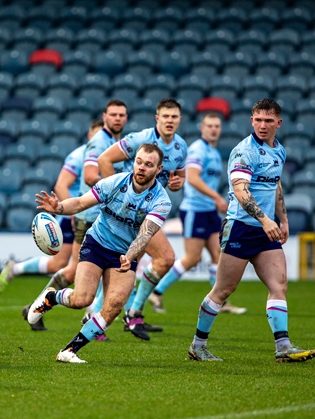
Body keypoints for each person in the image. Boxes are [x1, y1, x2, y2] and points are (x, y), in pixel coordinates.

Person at [188, 98, 315, 363]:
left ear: (278, 123)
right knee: (223, 290)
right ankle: (198, 345)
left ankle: (283, 346)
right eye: (258, 119)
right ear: (251, 121)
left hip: (265, 230)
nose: (262, 125)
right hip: (240, 228)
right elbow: (240, 190)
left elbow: (275, 184)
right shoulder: (243, 151)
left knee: (279, 284)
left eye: (268, 120)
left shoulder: (279, 151)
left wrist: (283, 219)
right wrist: (265, 220)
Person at [27, 144, 171, 363]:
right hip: (97, 243)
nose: (141, 168)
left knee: (113, 307)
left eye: (148, 165)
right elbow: (81, 202)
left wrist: (130, 255)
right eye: (139, 162)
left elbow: (145, 234)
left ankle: (69, 351)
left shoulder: (161, 201)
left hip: (124, 254)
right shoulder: (115, 182)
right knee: (81, 299)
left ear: (158, 169)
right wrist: (59, 208)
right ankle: (51, 297)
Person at [98, 97, 187, 340]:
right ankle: (126, 313)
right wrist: (115, 200)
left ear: (180, 119)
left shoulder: (181, 147)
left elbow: (177, 178)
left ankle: (124, 313)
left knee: (154, 260)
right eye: (165, 116)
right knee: (159, 258)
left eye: (174, 117)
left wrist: (178, 183)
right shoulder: (141, 139)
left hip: (148, 213)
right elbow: (104, 160)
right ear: (157, 118)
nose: (170, 121)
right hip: (129, 212)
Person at [148, 113, 246, 315]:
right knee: (192, 258)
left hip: (208, 210)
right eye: (209, 125)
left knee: (217, 255)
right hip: (194, 209)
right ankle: (156, 291)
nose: (213, 129)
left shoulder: (214, 152)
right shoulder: (198, 150)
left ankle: (220, 301)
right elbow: (191, 178)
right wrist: (217, 198)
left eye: (217, 126)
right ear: (202, 128)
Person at [0, 118, 105, 297]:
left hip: (92, 215)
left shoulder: (108, 157)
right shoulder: (79, 156)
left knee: (69, 265)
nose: (100, 139)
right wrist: (72, 215)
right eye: (97, 135)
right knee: (64, 264)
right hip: (75, 215)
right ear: (90, 135)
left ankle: (17, 270)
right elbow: (61, 186)